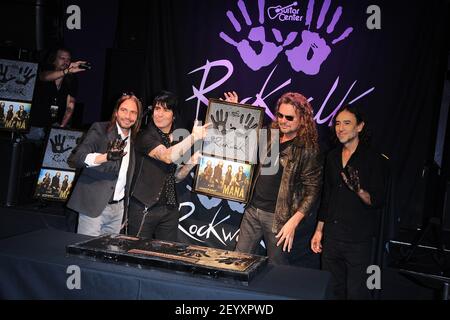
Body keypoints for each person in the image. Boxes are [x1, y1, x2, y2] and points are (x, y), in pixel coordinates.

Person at [228, 91, 322, 265]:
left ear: (302, 119)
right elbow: (245, 133)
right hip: (253, 210)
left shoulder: (307, 149)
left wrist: (293, 222)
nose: (283, 120)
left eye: (289, 117)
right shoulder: (270, 135)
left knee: (277, 268)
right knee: (237, 260)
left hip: (278, 218)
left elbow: (312, 190)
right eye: (280, 115)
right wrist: (236, 109)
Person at [310, 104, 386, 299]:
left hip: (358, 240)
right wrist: (319, 231)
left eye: (346, 123)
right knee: (331, 291)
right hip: (332, 237)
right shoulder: (332, 156)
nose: (340, 128)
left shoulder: (374, 159)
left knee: (356, 293)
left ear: (359, 127)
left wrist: (359, 190)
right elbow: (326, 196)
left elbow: (377, 201)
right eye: (337, 123)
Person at [128, 91, 210, 241]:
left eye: (165, 110)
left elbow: (176, 177)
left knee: (166, 255)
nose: (159, 114)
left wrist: (191, 162)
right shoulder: (144, 136)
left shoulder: (176, 139)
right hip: (144, 207)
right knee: (135, 252)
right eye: (157, 109)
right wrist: (194, 137)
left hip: (170, 209)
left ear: (174, 115)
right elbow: (167, 157)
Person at [66, 93, 142, 236]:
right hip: (93, 205)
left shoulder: (135, 140)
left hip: (118, 209)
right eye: (124, 110)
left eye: (133, 112)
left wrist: (124, 211)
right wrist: (105, 157)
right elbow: (76, 159)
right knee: (87, 252)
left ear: (138, 116)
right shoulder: (100, 129)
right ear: (116, 111)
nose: (128, 116)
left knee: (108, 254)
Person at [32, 47, 86, 128]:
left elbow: (70, 105)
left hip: (55, 123)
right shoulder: (45, 70)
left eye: (68, 59)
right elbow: (45, 77)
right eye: (62, 58)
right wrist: (67, 71)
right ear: (54, 60)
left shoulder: (71, 80)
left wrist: (62, 126)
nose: (66, 62)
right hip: (36, 122)